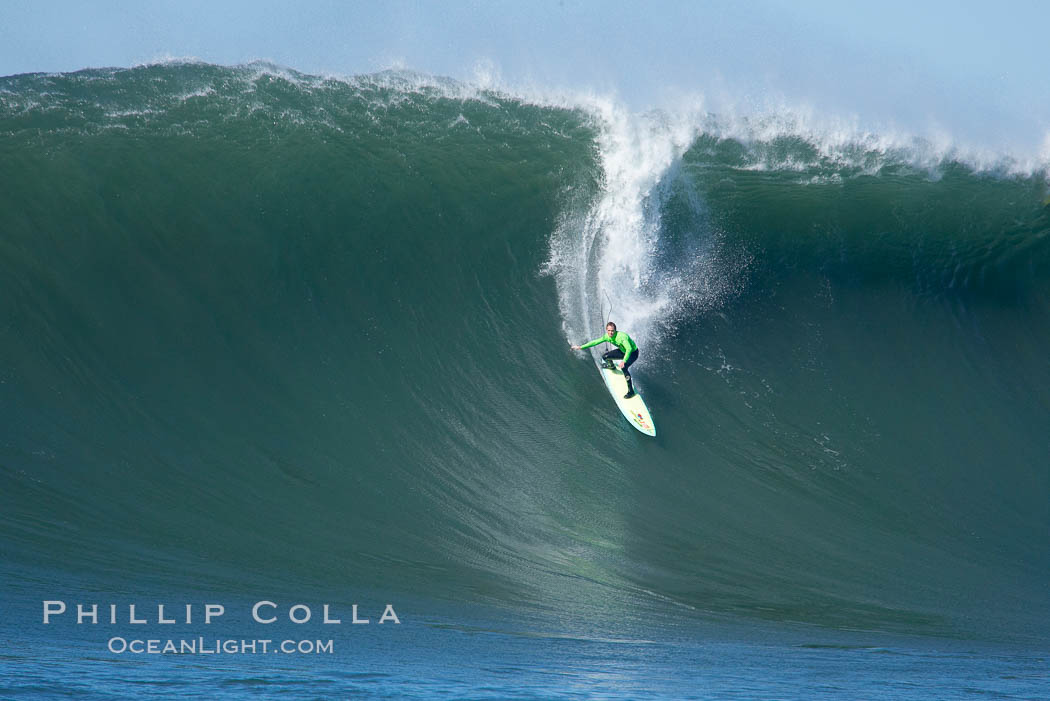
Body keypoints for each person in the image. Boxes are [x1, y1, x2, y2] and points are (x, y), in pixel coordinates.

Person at [571, 322, 639, 398]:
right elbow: (595, 342)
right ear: (606, 330)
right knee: (605, 357)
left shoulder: (622, 337)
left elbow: (629, 349)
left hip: (633, 353)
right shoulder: (607, 336)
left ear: (615, 330)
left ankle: (631, 391)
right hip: (623, 351)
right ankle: (611, 366)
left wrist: (624, 361)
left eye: (612, 330)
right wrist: (581, 347)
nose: (611, 332)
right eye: (609, 330)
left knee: (624, 367)